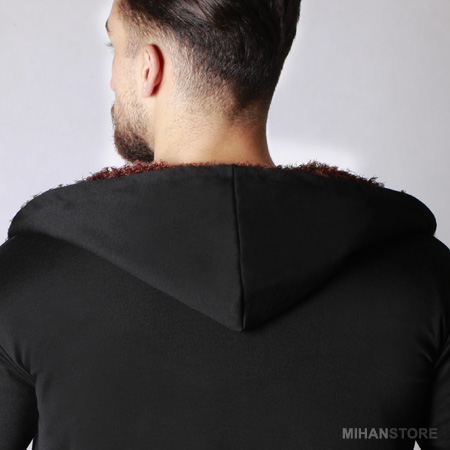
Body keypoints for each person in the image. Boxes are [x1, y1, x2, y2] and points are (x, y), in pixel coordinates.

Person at [0, 0, 449, 448]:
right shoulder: (425, 279)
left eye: (113, 46)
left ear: (149, 68)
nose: (113, 80)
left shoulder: (26, 279)